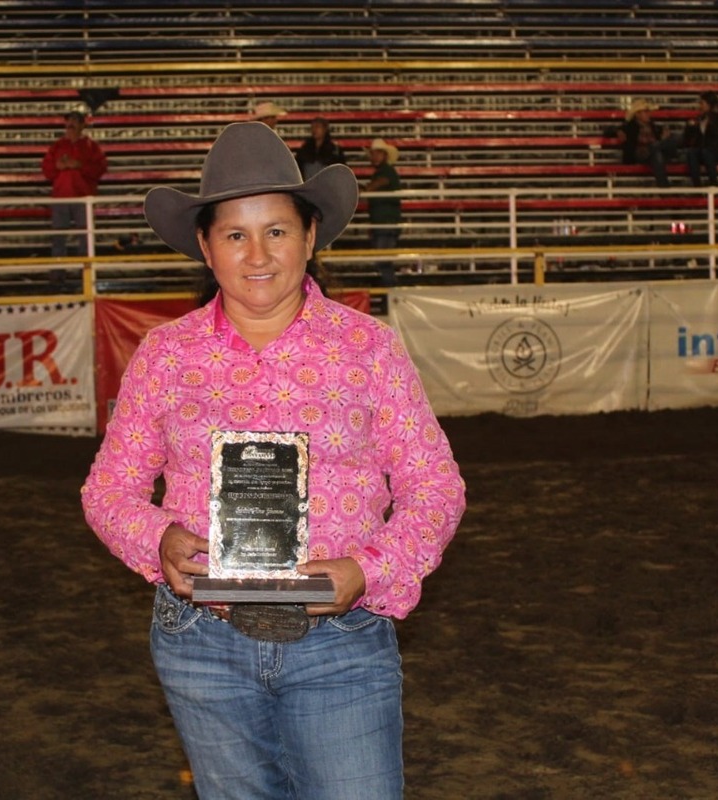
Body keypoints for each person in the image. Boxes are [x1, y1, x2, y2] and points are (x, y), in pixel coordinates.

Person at [81, 121, 466, 800]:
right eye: (235, 234)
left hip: (342, 641)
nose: (257, 254)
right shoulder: (165, 356)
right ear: (206, 247)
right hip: (202, 642)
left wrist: (367, 570)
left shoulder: (369, 349)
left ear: (310, 237)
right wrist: (158, 540)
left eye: (277, 230)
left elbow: (435, 487)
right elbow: (108, 488)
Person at [41, 110, 108, 260]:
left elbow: (100, 168)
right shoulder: (57, 146)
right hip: (61, 197)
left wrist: (79, 165)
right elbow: (46, 169)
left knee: (85, 237)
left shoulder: (91, 147)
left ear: (83, 125)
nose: (70, 124)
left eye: (75, 121)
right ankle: (58, 271)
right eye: (69, 121)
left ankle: (85, 271)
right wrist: (57, 166)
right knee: (58, 238)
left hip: (83, 198)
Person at [616, 98, 682, 187]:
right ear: (637, 114)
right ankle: (675, 155)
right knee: (658, 148)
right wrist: (619, 131)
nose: (649, 114)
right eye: (646, 111)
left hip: (653, 152)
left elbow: (662, 135)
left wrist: (664, 136)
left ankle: (664, 188)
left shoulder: (653, 126)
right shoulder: (630, 126)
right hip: (640, 153)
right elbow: (609, 130)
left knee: (658, 154)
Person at [364, 137, 403, 287]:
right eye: (373, 153)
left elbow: (379, 183)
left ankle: (390, 287)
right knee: (383, 259)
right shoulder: (384, 171)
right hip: (383, 222)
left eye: (377, 153)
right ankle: (390, 287)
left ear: (384, 155)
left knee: (382, 259)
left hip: (386, 222)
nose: (374, 156)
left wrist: (367, 189)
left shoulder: (386, 171)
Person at [683, 91, 718, 187]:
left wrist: (711, 119)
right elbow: (687, 139)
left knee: (707, 152)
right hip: (702, 151)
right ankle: (697, 187)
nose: (700, 106)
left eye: (702, 103)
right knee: (691, 153)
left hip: (717, 152)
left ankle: (713, 185)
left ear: (709, 104)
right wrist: (690, 127)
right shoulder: (699, 119)